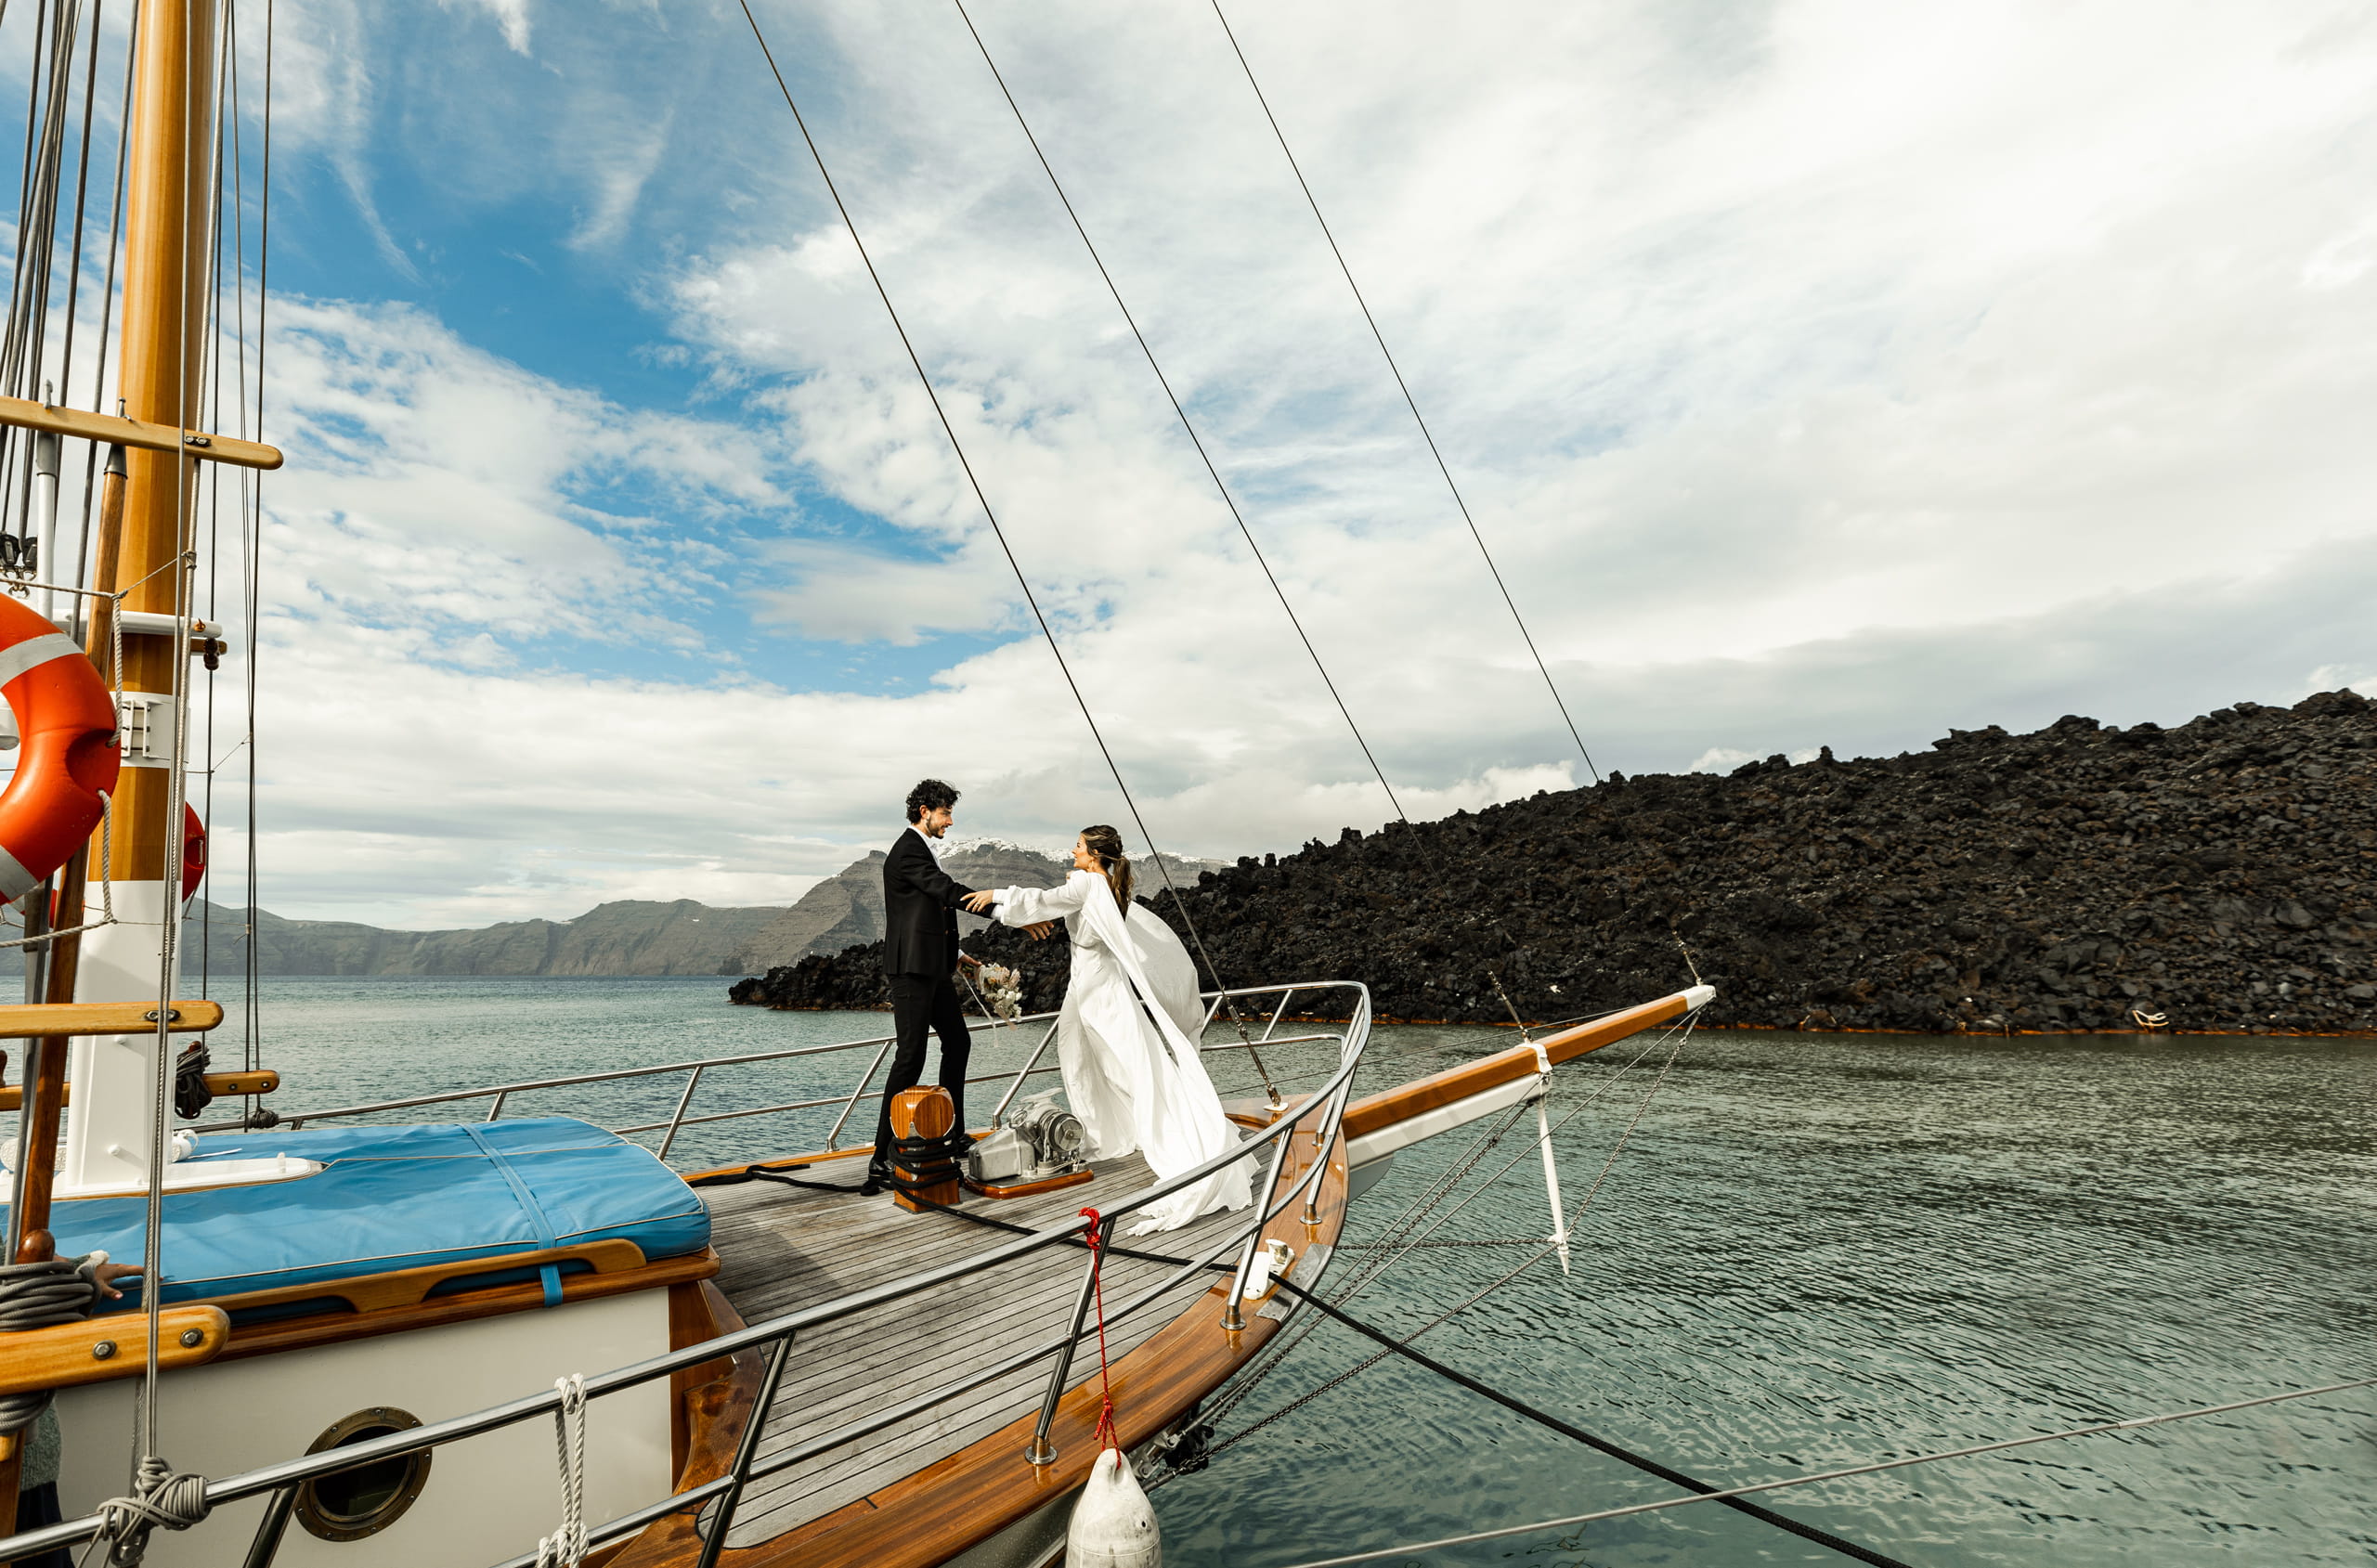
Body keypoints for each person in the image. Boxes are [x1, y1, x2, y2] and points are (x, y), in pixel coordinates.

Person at [963, 826, 1250, 1233]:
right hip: (1089, 985)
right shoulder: (1104, 885)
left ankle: (1176, 1137)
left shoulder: (1087, 884)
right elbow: (1060, 901)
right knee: (1085, 1061)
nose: (1072, 851)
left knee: (1126, 1068)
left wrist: (997, 896)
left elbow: (1043, 902)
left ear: (1095, 854)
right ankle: (1106, 1130)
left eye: (1079, 846)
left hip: (1100, 991)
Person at [867, 779, 982, 1197]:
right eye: (945, 813)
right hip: (911, 971)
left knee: (958, 1041)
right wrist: (1001, 906)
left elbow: (924, 911)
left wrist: (955, 954)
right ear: (923, 811)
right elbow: (944, 892)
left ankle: (952, 1134)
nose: (950, 821)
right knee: (910, 1057)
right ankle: (882, 1154)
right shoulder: (908, 850)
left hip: (934, 967)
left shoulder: (920, 850)